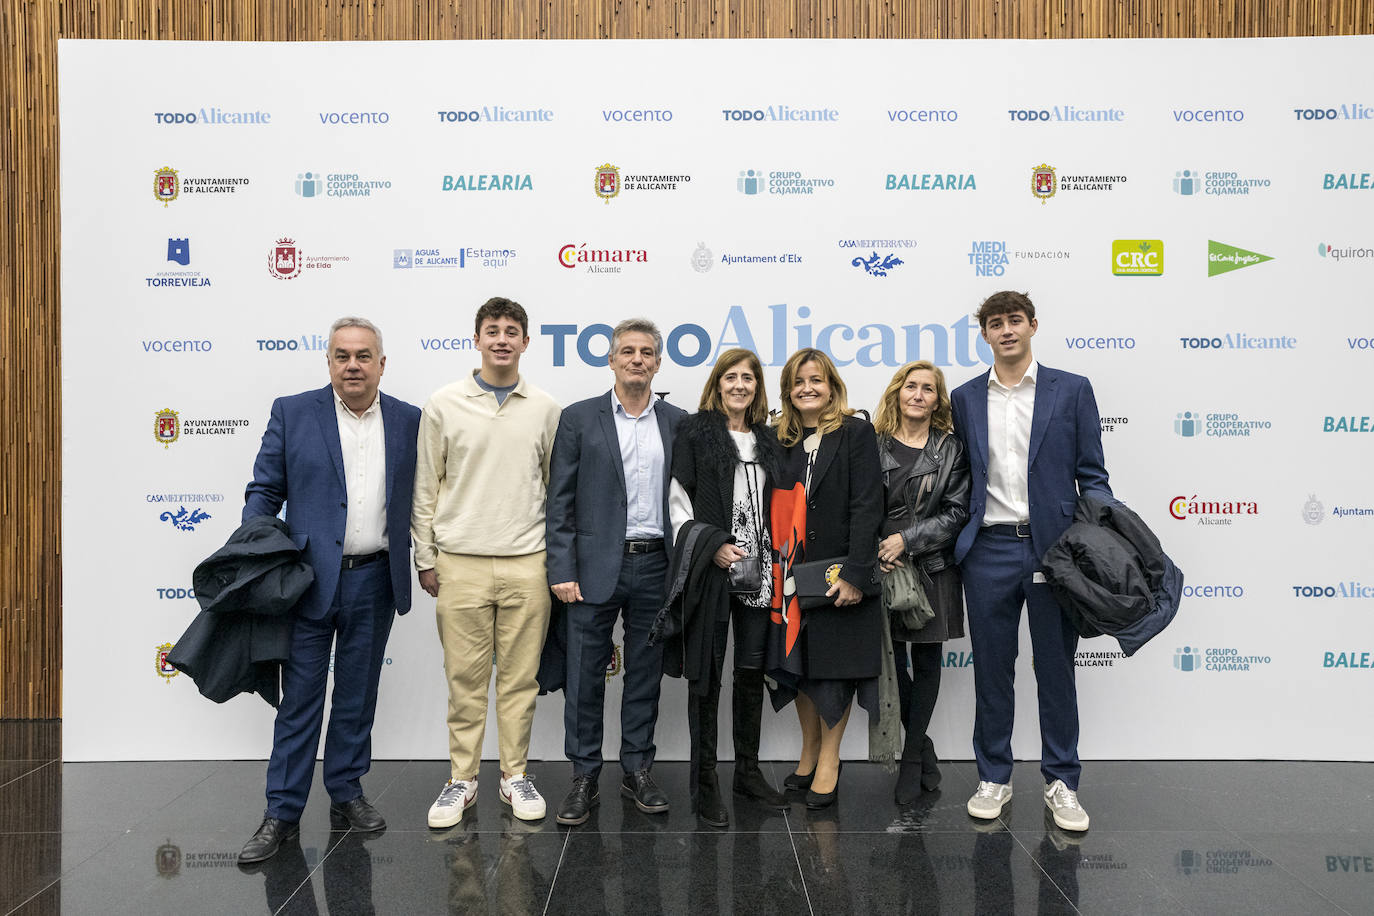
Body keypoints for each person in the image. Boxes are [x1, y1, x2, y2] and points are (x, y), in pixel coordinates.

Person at [237, 317, 421, 865]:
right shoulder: (293, 413)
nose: (353, 366)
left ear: (382, 363)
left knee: (358, 697)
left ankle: (346, 792)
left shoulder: (410, 420)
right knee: (300, 703)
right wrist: (258, 557)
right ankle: (282, 812)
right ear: (329, 362)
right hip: (309, 583)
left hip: (375, 578)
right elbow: (264, 490)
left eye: (364, 356)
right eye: (342, 356)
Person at [950, 290, 1111, 832]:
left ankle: (1062, 782)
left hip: (1053, 550)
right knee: (993, 671)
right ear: (985, 335)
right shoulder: (966, 397)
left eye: (1014, 321)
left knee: (1056, 669)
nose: (1006, 331)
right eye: (995, 324)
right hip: (988, 549)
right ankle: (994, 776)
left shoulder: (1072, 390)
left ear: (1033, 326)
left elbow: (1093, 476)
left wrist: (1093, 543)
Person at [412, 297, 561, 827]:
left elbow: (553, 489)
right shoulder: (444, 403)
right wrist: (425, 557)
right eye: (492, 330)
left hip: (527, 562)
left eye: (512, 331)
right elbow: (426, 484)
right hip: (460, 563)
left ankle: (514, 776)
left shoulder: (545, 407)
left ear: (526, 342)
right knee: (465, 680)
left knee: (520, 681)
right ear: (476, 339)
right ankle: (461, 780)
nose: (502, 339)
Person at [546, 318, 687, 824]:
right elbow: (558, 501)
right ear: (610, 360)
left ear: (657, 362)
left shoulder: (677, 421)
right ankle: (584, 775)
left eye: (646, 352)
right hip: (590, 570)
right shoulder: (579, 418)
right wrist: (560, 568)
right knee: (584, 676)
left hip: (657, 566)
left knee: (645, 675)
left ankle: (636, 770)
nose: (636, 359)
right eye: (627, 351)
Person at [666, 348, 790, 827]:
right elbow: (678, 503)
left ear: (758, 388)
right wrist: (709, 547)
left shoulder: (769, 438)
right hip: (713, 569)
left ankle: (748, 772)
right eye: (731, 377)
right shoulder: (695, 432)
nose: (740, 385)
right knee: (709, 676)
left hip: (762, 573)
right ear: (717, 384)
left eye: (749, 379)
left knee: (751, 671)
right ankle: (705, 783)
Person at [768, 348, 883, 809]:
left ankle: (831, 760)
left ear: (832, 386)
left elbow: (867, 505)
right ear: (788, 391)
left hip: (840, 575)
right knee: (800, 669)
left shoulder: (855, 432)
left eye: (816, 380)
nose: (807, 388)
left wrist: (856, 573)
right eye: (799, 382)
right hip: (791, 577)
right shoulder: (780, 439)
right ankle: (809, 751)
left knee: (835, 673)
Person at [872, 361, 971, 805]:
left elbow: (955, 512)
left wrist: (905, 540)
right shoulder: (872, 444)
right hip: (882, 566)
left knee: (927, 660)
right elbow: (858, 505)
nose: (917, 394)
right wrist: (880, 548)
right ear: (897, 392)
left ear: (937, 399)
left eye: (927, 389)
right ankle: (923, 747)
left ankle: (910, 761)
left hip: (931, 566)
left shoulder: (951, 449)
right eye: (910, 386)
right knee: (891, 663)